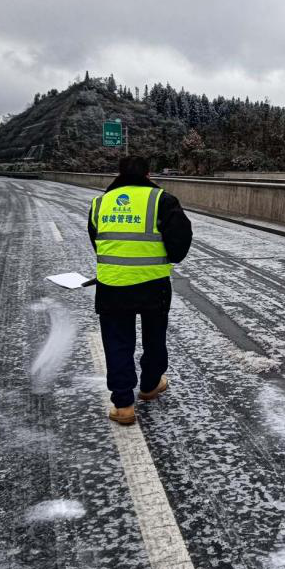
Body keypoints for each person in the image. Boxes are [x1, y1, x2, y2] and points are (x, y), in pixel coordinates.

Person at [88, 155, 193, 424]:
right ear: (148, 174)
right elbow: (179, 246)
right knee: (154, 338)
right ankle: (149, 386)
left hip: (112, 285)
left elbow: (97, 240)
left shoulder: (100, 203)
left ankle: (123, 405)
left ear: (119, 174)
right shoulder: (162, 200)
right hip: (152, 284)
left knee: (117, 343)